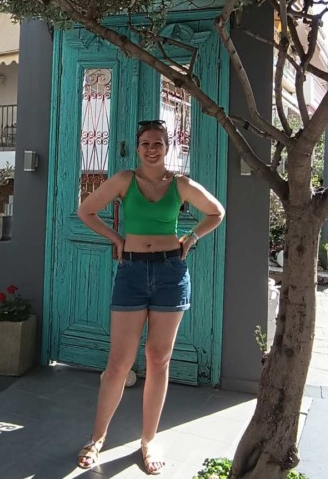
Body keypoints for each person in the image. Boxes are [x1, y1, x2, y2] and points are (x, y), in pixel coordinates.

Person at [76, 119, 225, 475]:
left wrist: (191, 238)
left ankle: (149, 440)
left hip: (171, 273)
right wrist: (117, 239)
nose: (152, 149)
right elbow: (86, 210)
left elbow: (216, 212)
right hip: (131, 272)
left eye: (158, 143)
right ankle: (97, 438)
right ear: (138, 147)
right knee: (119, 363)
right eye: (145, 143)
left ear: (168, 147)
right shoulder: (125, 180)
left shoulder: (180, 184)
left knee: (158, 359)